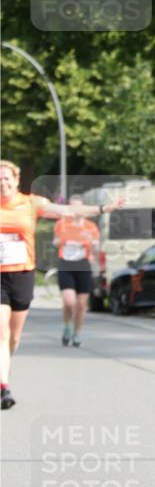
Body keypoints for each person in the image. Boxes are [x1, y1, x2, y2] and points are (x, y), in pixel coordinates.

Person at [0, 160, 120, 410]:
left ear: (16, 180)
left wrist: (102, 208)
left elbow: (68, 211)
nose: (3, 183)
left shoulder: (31, 203)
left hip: (22, 274)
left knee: (14, 336)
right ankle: (3, 386)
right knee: (1, 332)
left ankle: (5, 372)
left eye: (6, 178)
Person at [53, 196, 100, 347]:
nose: (76, 211)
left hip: (83, 265)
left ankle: (77, 333)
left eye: (79, 207)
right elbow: (55, 241)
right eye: (72, 207)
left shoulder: (90, 227)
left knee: (81, 304)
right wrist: (64, 239)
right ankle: (67, 325)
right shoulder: (62, 224)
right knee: (69, 301)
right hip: (66, 265)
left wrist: (92, 245)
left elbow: (97, 248)